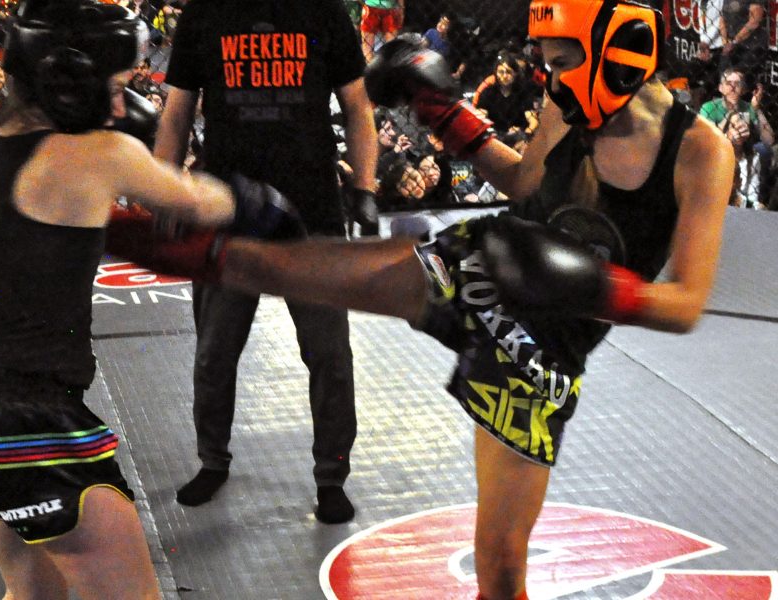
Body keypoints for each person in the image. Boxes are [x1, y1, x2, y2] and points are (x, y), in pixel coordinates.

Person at [113, 1, 733, 596]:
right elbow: (523, 183)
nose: (552, 78)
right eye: (544, 61)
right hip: (490, 264)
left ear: (619, 56)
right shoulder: (564, 103)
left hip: (540, 350)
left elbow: (685, 303)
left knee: (499, 562)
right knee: (321, 271)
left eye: (563, 60)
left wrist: (591, 286)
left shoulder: (701, 151)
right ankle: (158, 232)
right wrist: (445, 114)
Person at [0, 1, 300, 597]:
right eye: (109, 88)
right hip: (36, 430)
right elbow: (201, 201)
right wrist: (264, 203)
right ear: (69, 81)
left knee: (31, 595)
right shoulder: (97, 155)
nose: (115, 105)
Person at [153, 0, 378, 523]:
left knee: (329, 353)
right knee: (214, 350)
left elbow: (358, 105)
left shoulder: (322, 11)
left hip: (313, 213)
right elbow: (178, 110)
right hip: (228, 210)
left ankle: (331, 475)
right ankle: (212, 460)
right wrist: (164, 189)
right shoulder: (204, 14)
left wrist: (365, 185)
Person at [699, 68, 774, 206]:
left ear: (743, 89)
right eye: (729, 83)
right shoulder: (709, 108)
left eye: (737, 84)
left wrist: (756, 109)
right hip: (717, 154)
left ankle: (756, 198)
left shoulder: (747, 107)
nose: (733, 87)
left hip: (744, 154)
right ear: (721, 88)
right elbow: (706, 141)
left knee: (764, 149)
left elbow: (769, 139)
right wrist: (730, 116)